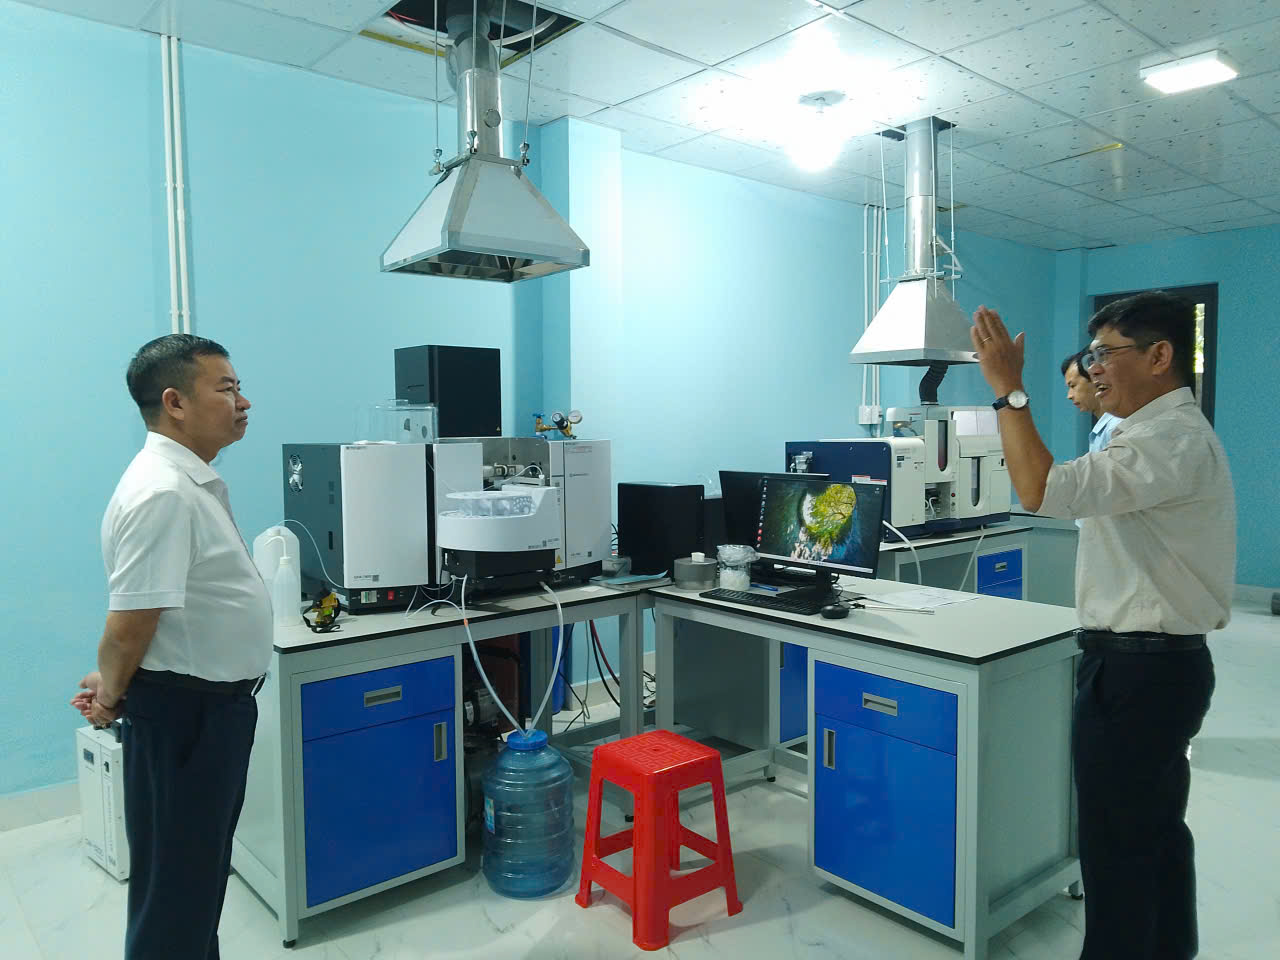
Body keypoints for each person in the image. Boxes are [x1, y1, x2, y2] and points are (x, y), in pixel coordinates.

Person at [971, 292, 1234, 959]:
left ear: (1160, 355)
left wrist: (1008, 392)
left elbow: (1041, 491)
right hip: (1157, 666)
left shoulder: (1167, 438)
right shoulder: (1153, 434)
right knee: (1154, 836)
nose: (1092, 371)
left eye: (1104, 355)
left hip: (1140, 670)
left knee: (1116, 849)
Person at [70, 334, 271, 960]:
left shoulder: (186, 483)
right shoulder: (165, 492)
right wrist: (112, 693)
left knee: (194, 882)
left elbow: (154, 621)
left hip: (202, 709)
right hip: (188, 717)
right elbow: (129, 625)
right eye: (227, 388)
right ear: (175, 402)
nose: (243, 402)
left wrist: (114, 680)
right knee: (178, 891)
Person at [1061, 350, 1122, 453]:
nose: (1069, 396)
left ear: (1095, 379)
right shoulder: (1104, 428)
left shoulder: (1115, 427)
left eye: (1073, 386)